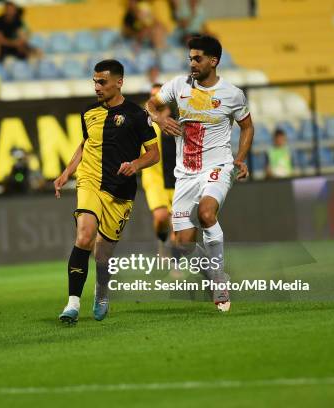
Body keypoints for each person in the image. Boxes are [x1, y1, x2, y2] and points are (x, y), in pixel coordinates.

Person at [146, 35, 254, 312]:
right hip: (185, 174)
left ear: (213, 61)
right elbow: (151, 105)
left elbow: (247, 127)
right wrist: (159, 118)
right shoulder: (177, 86)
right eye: (190, 58)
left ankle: (219, 280)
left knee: (207, 214)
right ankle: (213, 276)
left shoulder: (232, 94)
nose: (192, 63)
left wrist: (239, 159)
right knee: (183, 245)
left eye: (197, 58)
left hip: (218, 167)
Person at [53, 59, 160, 324]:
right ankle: (73, 304)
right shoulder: (89, 113)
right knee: (85, 235)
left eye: (102, 82)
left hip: (120, 191)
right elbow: (85, 143)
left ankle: (101, 292)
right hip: (89, 180)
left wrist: (135, 165)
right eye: (95, 81)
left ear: (119, 82)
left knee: (102, 254)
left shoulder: (137, 115)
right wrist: (67, 171)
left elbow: (154, 154)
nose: (97, 87)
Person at [141, 83, 177, 255]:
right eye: (152, 96)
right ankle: (162, 240)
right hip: (155, 178)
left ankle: (175, 265)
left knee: (178, 225)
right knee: (162, 218)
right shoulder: (144, 120)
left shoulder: (178, 118)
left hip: (177, 177)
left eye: (159, 95)